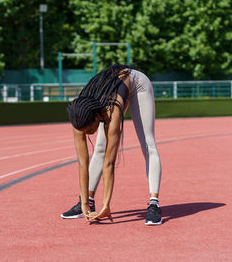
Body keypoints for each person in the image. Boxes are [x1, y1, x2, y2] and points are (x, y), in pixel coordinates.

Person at [61, 64, 162, 225]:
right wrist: (85, 203)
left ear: (97, 116)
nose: (89, 134)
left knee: (147, 144)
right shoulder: (79, 116)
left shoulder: (111, 111)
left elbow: (109, 162)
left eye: (90, 130)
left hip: (137, 84)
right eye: (86, 132)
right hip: (112, 91)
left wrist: (106, 205)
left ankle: (154, 204)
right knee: (99, 148)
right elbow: (82, 163)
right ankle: (86, 201)